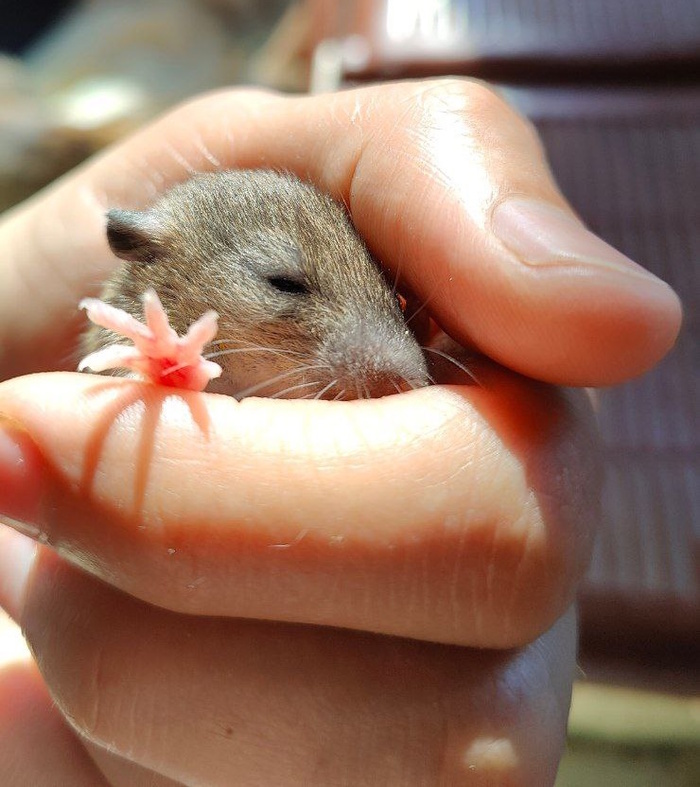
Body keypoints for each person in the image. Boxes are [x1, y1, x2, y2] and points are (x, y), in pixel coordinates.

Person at [0, 79, 682, 785]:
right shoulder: (135, 314)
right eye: (287, 288)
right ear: (156, 262)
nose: (395, 363)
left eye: (384, 300)